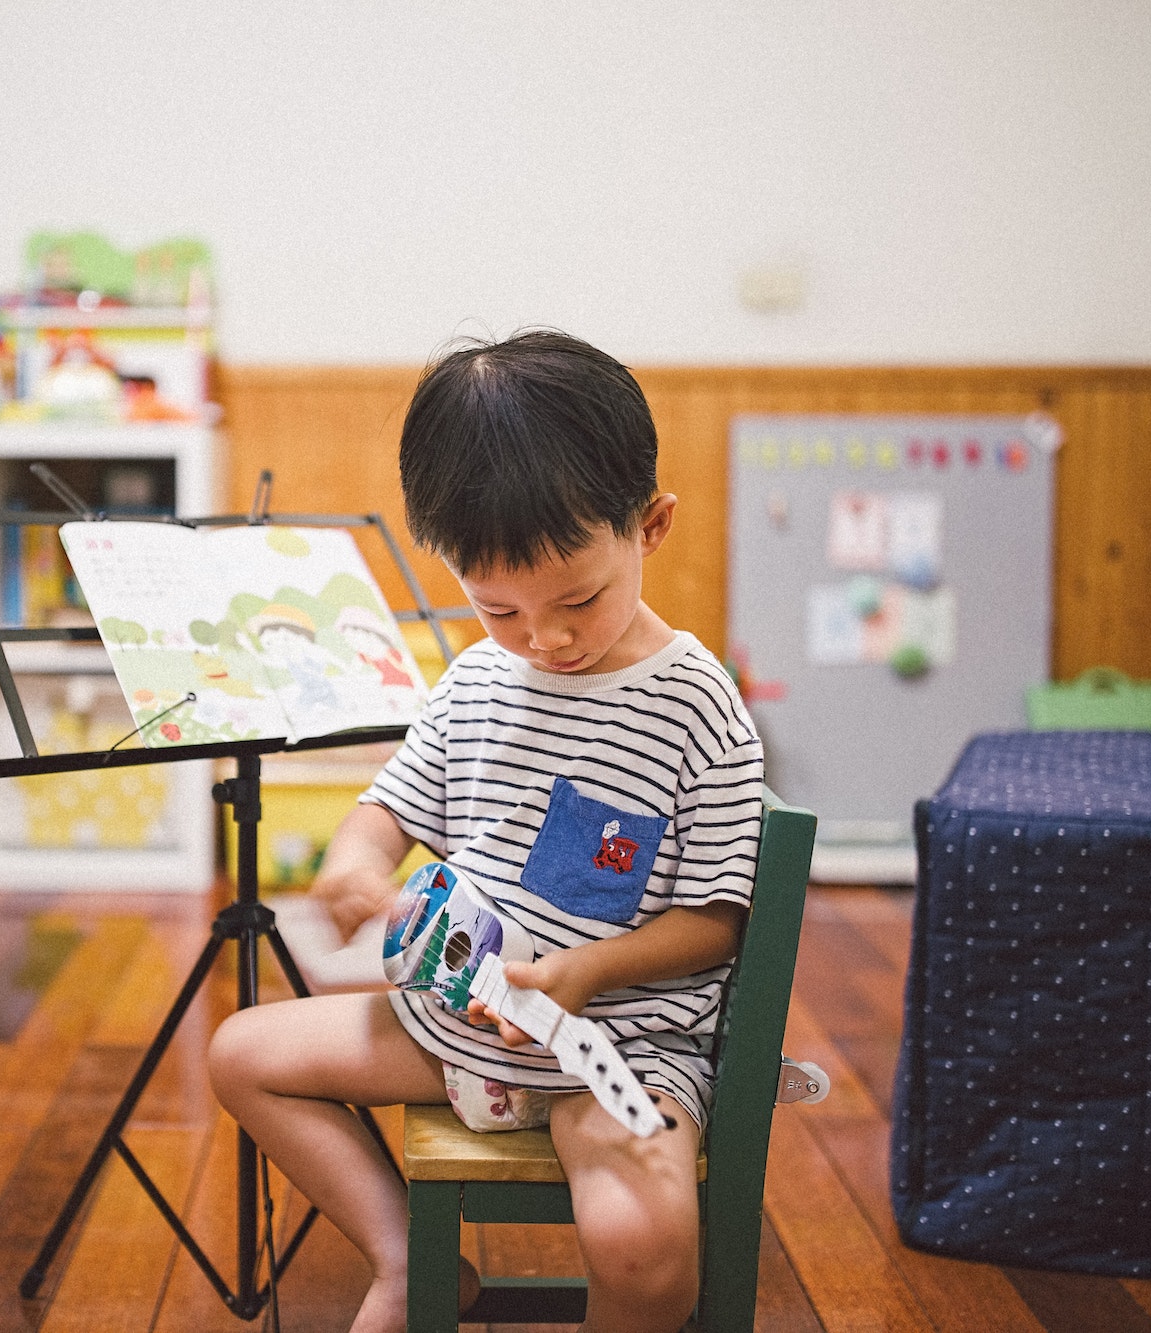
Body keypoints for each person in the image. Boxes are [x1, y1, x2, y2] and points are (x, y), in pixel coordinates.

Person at [208, 330, 765, 1333]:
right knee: (240, 1053)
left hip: (618, 1045)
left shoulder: (696, 704)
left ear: (650, 525)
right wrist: (353, 859)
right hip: (449, 1023)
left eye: (578, 599)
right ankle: (406, 1258)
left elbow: (720, 920)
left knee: (643, 1245)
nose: (544, 638)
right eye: (499, 607)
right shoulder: (474, 681)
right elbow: (389, 811)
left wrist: (592, 971)